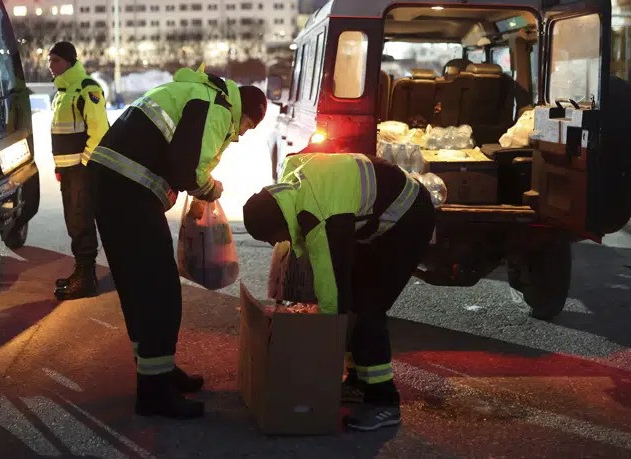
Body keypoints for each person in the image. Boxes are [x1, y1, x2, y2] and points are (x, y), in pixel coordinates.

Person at [90, 67, 267, 419]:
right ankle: (154, 393)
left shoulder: (193, 93)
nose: (241, 136)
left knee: (139, 286)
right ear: (243, 113)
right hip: (127, 189)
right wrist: (211, 189)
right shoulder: (215, 105)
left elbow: (175, 158)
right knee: (159, 289)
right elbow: (189, 168)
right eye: (247, 127)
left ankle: (157, 372)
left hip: (112, 184)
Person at [241, 152, 436, 432]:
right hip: (378, 221)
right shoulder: (289, 188)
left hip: (408, 221)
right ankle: (358, 380)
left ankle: (383, 402)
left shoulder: (319, 218)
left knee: (368, 308)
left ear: (281, 222)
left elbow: (332, 297)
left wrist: (322, 351)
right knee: (356, 297)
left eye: (276, 236)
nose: (279, 241)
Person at [49, 42, 109, 299]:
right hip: (69, 170)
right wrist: (59, 167)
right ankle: (82, 272)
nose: (51, 66)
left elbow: (99, 131)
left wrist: (84, 164)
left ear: (69, 61)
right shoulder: (61, 93)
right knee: (74, 222)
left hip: (81, 170)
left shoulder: (86, 89)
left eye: (55, 61)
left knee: (81, 221)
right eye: (50, 61)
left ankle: (86, 280)